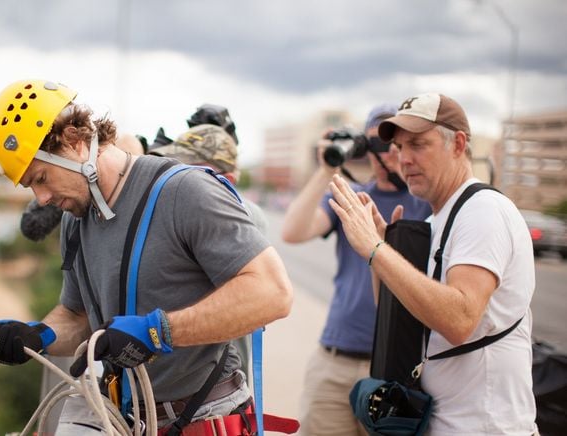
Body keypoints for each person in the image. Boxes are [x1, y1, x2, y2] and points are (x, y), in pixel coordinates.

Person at [0, 79, 294, 433]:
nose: (42, 198)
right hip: (126, 418)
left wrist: (156, 332)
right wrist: (40, 336)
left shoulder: (184, 192)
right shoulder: (76, 221)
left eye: (41, 178)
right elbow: (78, 315)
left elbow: (273, 294)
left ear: (74, 140)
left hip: (203, 416)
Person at [328, 93, 537, 435]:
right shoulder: (440, 219)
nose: (404, 159)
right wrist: (384, 256)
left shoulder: (482, 211)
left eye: (418, 144)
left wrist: (376, 249)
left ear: (457, 144)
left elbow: (458, 319)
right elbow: (405, 320)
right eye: (398, 147)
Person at [281, 103, 431, 435]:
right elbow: (293, 231)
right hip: (336, 357)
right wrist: (326, 170)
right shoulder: (354, 197)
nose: (386, 154)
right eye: (374, 143)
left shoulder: (426, 204)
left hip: (396, 366)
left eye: (394, 143)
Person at [149, 123, 268, 379]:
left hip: (220, 382)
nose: (177, 177)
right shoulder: (182, 208)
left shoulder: (245, 215)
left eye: (189, 171)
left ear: (228, 180)